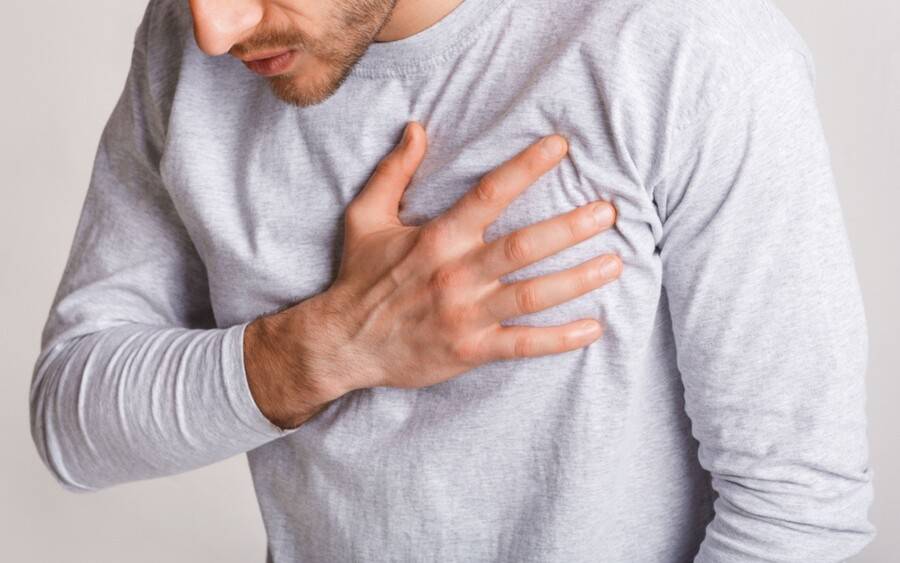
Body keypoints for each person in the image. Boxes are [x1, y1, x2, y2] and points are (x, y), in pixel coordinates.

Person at [29, 0, 876, 560]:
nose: (216, 29)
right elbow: (72, 422)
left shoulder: (682, 46)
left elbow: (799, 509)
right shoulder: (188, 48)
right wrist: (332, 345)